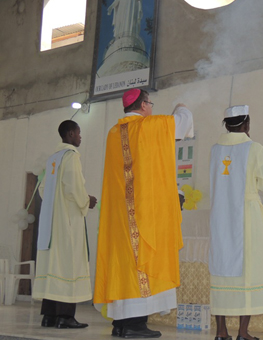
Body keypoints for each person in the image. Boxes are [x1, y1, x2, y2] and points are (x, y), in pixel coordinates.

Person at [94, 89, 194, 338]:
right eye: (150, 103)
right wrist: (181, 105)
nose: (151, 107)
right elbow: (184, 121)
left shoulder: (113, 133)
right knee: (142, 265)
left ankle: (120, 323)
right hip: (145, 214)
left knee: (122, 266)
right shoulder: (150, 125)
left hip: (119, 217)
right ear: (144, 106)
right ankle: (134, 325)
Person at [209, 105, 263, 340]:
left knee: (221, 268)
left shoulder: (216, 150)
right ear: (246, 124)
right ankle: (243, 332)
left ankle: (220, 331)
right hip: (247, 216)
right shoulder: (254, 148)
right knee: (248, 270)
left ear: (226, 125)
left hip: (220, 215)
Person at [33, 120, 97, 329]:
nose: (80, 137)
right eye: (78, 133)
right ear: (70, 134)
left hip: (51, 222)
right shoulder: (71, 156)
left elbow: (43, 190)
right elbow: (73, 186)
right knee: (69, 265)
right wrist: (87, 201)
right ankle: (65, 317)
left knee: (54, 265)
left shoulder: (52, 159)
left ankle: (49, 316)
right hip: (68, 222)